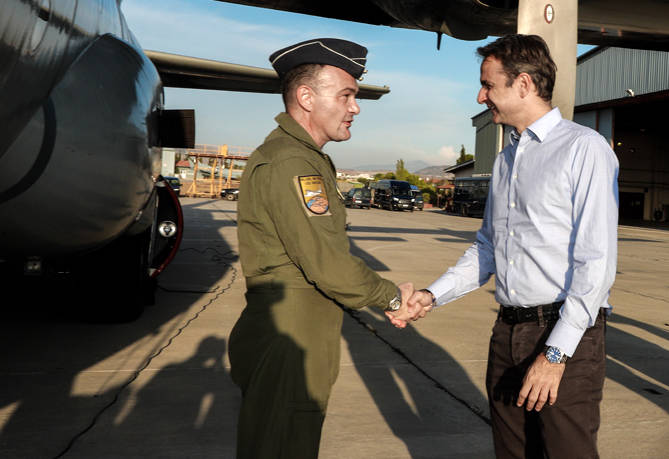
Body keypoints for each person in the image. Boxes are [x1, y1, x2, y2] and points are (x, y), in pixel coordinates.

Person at [398, 34, 619, 458]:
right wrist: (431, 295)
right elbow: (487, 248)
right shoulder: (506, 160)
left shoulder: (583, 149)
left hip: (563, 334)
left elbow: (596, 263)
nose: (481, 96)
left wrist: (555, 355)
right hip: (508, 332)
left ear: (523, 84)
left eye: (488, 85)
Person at [228, 38, 419, 459]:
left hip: (298, 329)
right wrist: (392, 297)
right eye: (346, 95)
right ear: (306, 97)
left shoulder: (300, 157)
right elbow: (328, 264)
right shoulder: (293, 163)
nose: (356, 108)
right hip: (291, 337)